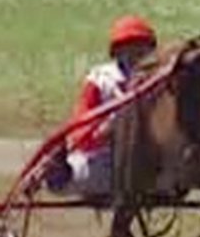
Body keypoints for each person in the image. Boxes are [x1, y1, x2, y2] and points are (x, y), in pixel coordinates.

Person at [45, 15, 158, 195]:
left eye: (141, 48)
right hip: (103, 157)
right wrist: (104, 132)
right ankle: (59, 173)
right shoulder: (101, 81)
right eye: (128, 48)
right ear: (117, 52)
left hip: (145, 160)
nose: (135, 54)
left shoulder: (159, 80)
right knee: (79, 175)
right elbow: (80, 133)